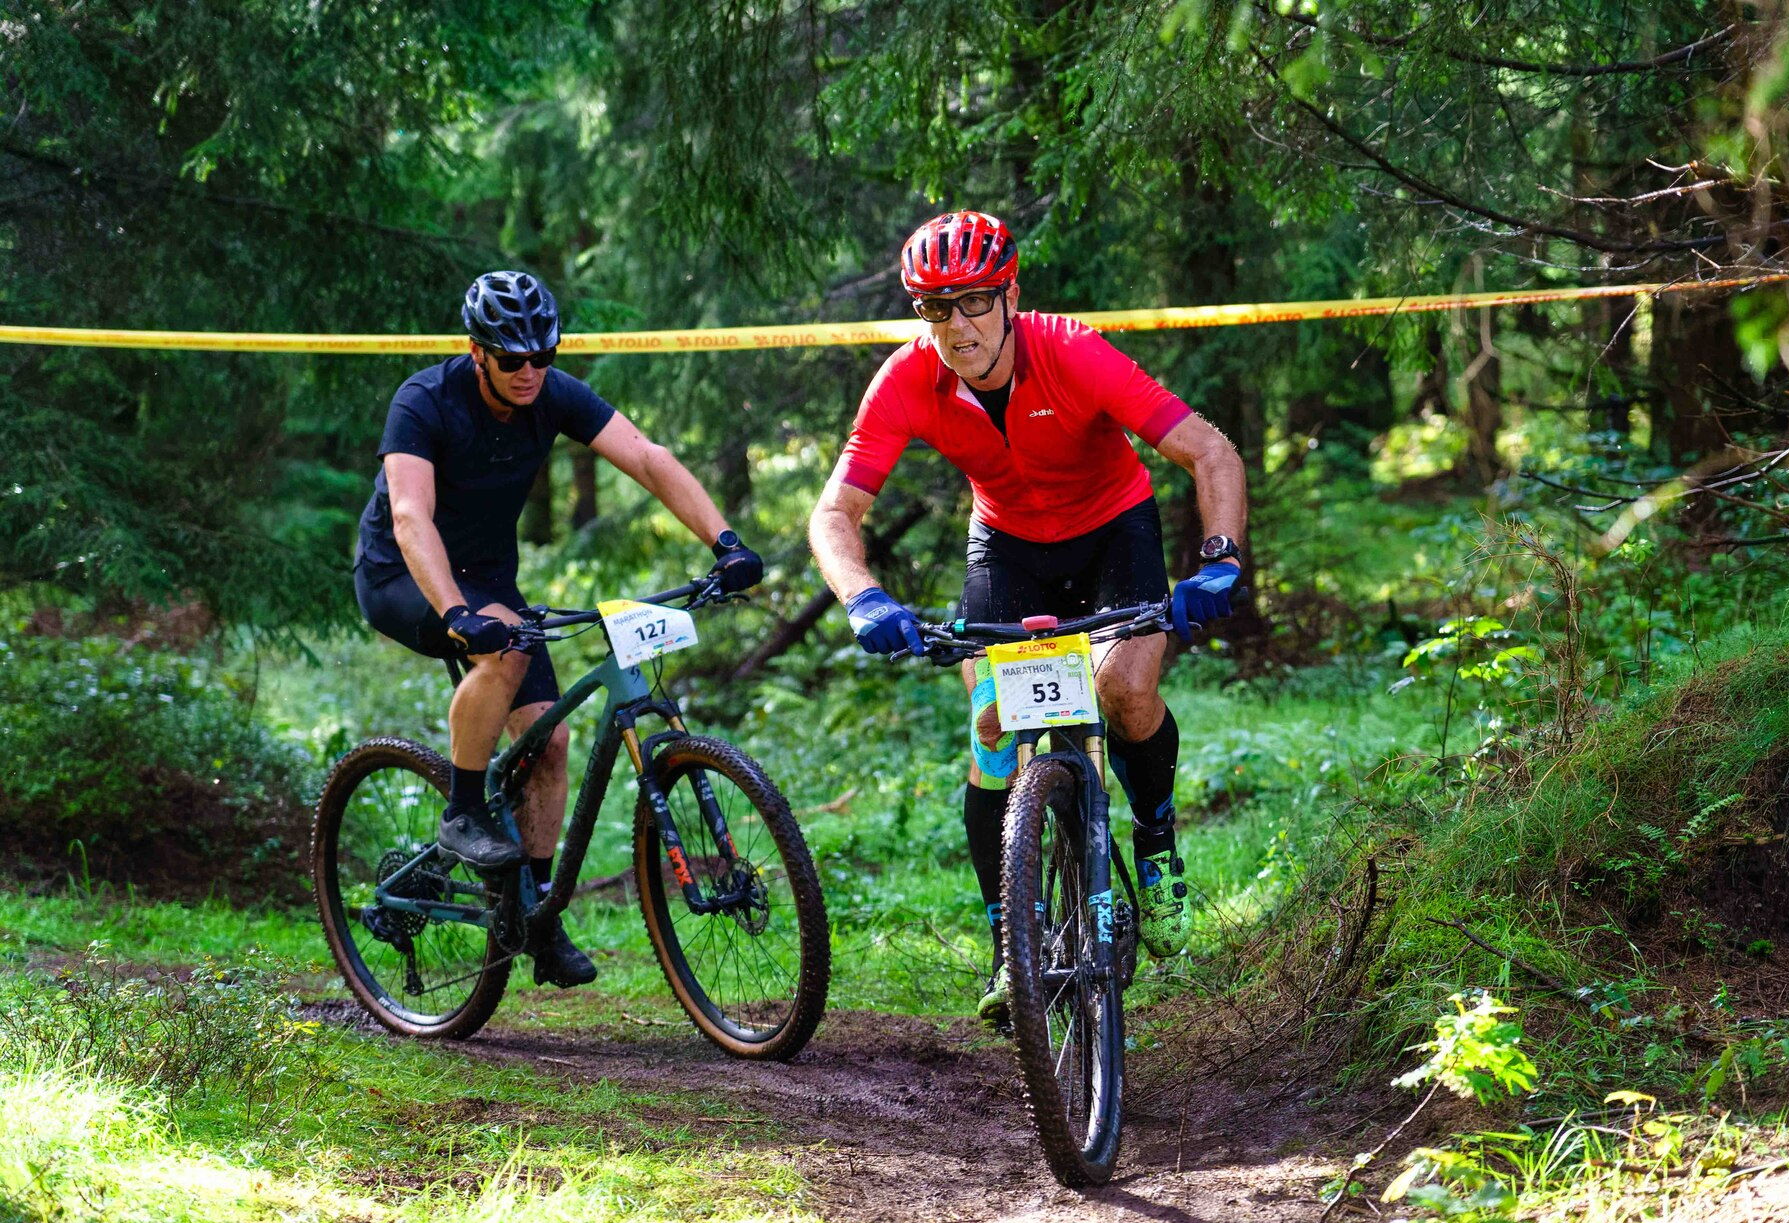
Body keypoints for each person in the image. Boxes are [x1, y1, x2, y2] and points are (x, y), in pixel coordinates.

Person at [807, 211, 1248, 1020]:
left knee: (1126, 691)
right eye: (935, 308)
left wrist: (1219, 559)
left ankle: (1155, 845)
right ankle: (1011, 943)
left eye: (974, 301)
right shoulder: (908, 379)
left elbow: (1209, 449)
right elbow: (836, 513)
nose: (957, 326)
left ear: (1010, 296)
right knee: (991, 728)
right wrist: (863, 597)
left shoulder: (1072, 351)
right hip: (1008, 546)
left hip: (1113, 528)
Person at [353, 270, 764, 988]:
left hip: (488, 579)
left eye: (543, 355)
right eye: (512, 359)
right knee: (502, 658)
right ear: (477, 352)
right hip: (403, 574)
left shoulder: (551, 394)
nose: (529, 372)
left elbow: (647, 457)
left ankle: (537, 918)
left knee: (552, 743)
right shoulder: (424, 401)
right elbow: (412, 516)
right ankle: (462, 812)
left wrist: (725, 542)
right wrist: (456, 614)